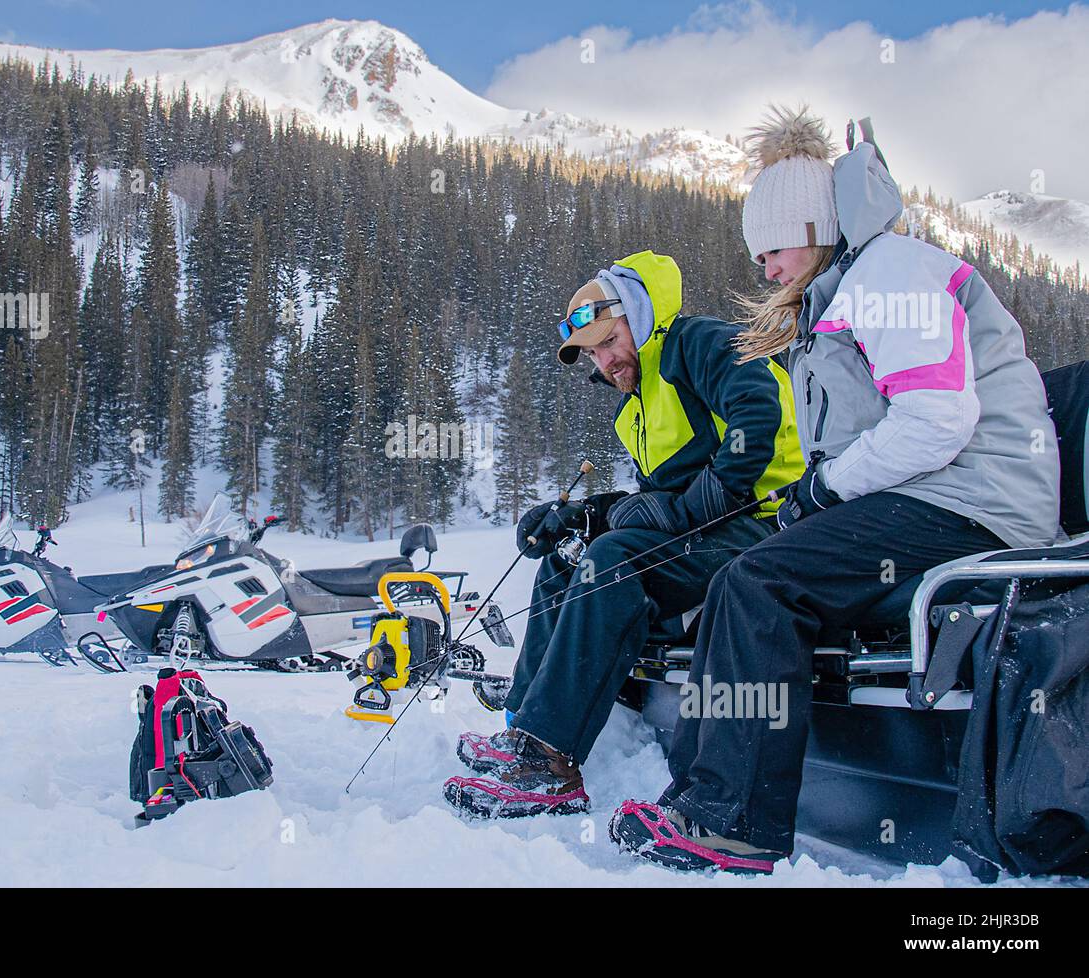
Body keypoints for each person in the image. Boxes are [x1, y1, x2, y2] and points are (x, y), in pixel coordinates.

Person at [609, 107, 1061, 874]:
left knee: (760, 583)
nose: (768, 271)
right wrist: (815, 497)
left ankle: (733, 821)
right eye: (759, 258)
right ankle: (698, 795)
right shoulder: (844, 292)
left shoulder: (891, 272)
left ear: (817, 226)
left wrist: (825, 490)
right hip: (936, 498)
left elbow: (936, 420)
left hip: (977, 504)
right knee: (739, 578)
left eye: (775, 250)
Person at [443, 250, 804, 819]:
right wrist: (586, 515)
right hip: (707, 535)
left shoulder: (700, 343)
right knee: (571, 556)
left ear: (639, 314)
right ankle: (524, 725)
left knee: (615, 560)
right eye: (593, 353)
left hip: (767, 527)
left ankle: (550, 765)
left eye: (610, 342)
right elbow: (653, 503)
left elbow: (756, 421)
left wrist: (687, 511)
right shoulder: (632, 412)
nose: (606, 361)